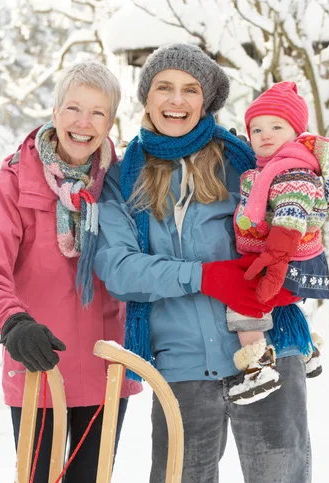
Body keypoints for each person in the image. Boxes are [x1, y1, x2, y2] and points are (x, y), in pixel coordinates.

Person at [93, 43, 312, 483]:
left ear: (206, 100)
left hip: (265, 353)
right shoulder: (124, 175)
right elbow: (117, 267)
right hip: (182, 368)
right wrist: (204, 276)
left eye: (190, 89)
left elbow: (299, 213)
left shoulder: (244, 161)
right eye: (164, 88)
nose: (177, 100)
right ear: (147, 96)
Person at [0, 62, 141, 483]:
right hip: (39, 365)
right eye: (74, 109)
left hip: (106, 369)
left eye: (98, 112)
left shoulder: (123, 184)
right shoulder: (13, 183)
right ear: (55, 111)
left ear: (111, 121)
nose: (84, 123)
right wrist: (13, 321)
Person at [225, 81, 329, 404]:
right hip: (288, 257)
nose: (265, 134)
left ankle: (257, 367)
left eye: (276, 126)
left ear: (296, 133)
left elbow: (290, 218)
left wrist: (276, 262)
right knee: (281, 306)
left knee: (244, 302)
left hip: (284, 257)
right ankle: (307, 351)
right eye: (257, 128)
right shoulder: (272, 167)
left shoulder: (292, 171)